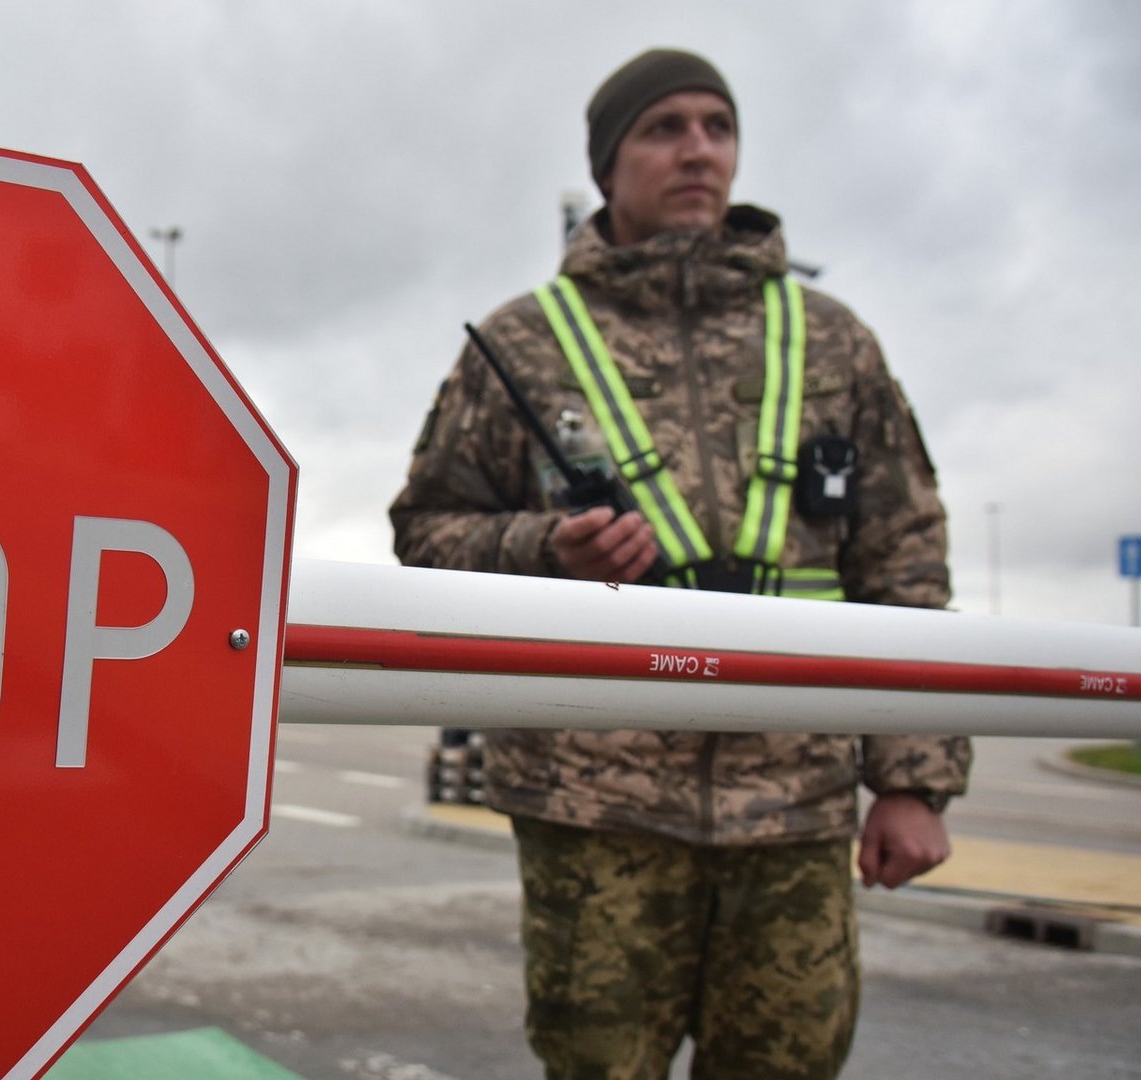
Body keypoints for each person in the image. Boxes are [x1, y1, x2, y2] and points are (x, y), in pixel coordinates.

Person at [388, 48, 971, 1080]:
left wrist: (915, 780)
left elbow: (904, 563)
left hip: (792, 800)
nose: (698, 149)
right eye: (664, 128)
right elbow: (426, 532)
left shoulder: (832, 342)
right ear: (608, 165)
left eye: (717, 125)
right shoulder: (521, 343)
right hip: (594, 804)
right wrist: (542, 550)